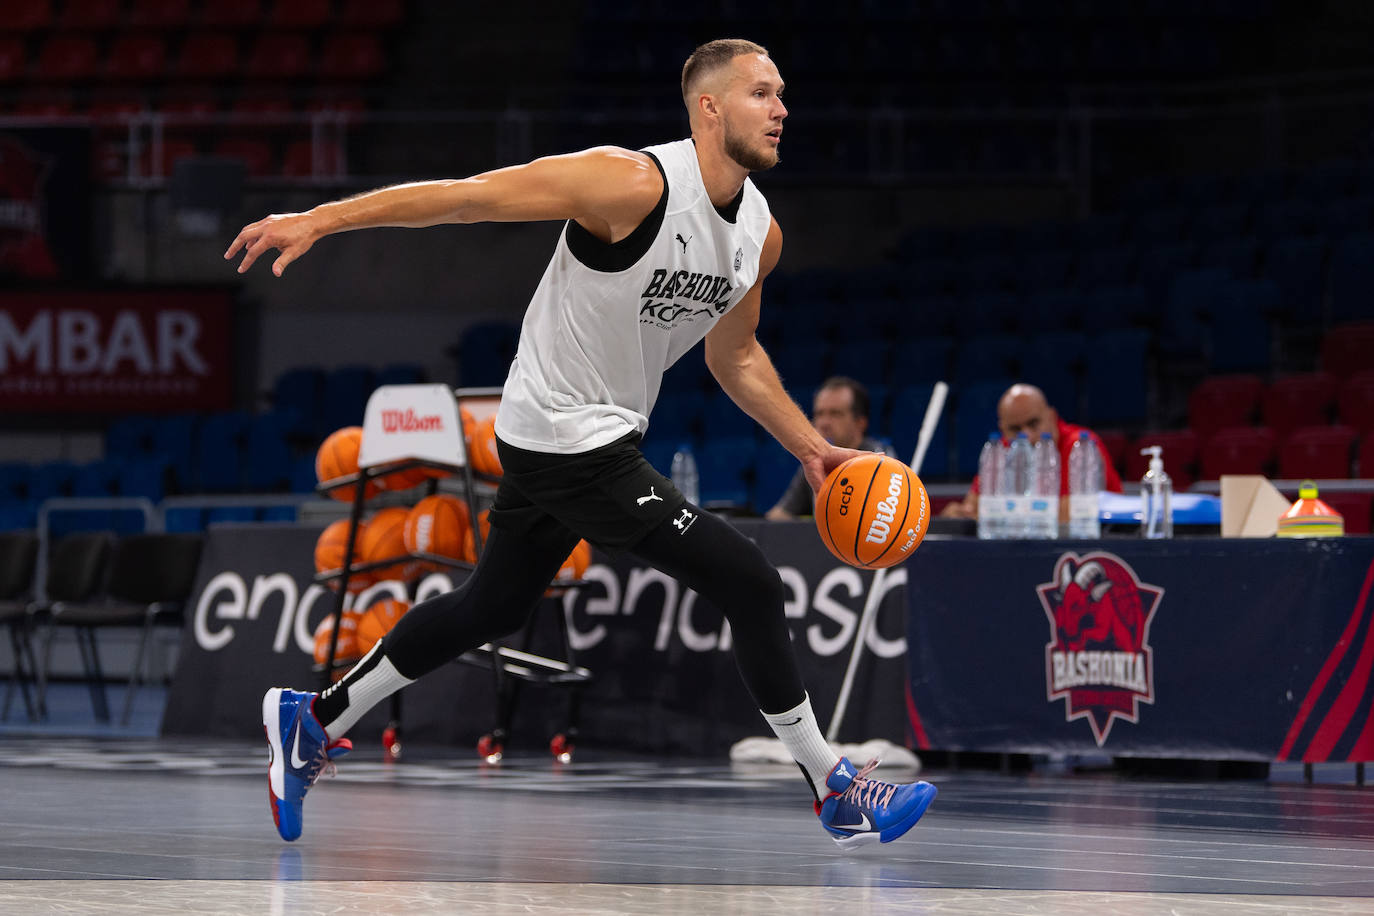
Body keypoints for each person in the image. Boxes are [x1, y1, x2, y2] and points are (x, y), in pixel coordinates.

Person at [228, 39, 936, 850]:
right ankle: (834, 785)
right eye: (761, 93)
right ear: (709, 107)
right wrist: (320, 217)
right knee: (749, 579)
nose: (782, 109)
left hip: (591, 432)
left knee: (490, 606)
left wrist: (813, 451)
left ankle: (309, 720)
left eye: (783, 94)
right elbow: (465, 199)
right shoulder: (628, 183)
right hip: (564, 431)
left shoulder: (759, 236)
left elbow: (732, 355)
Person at [940, 382, 1122, 519]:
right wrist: (958, 513)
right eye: (1015, 429)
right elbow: (973, 506)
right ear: (1002, 428)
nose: (1026, 435)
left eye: (1033, 423)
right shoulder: (1000, 450)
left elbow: (1074, 512)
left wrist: (998, 511)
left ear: (1051, 416)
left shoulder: (1081, 446)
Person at [766, 376, 890, 520]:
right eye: (819, 414)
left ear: (860, 423)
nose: (824, 423)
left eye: (835, 414)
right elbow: (779, 516)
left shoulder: (877, 459)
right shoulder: (815, 461)